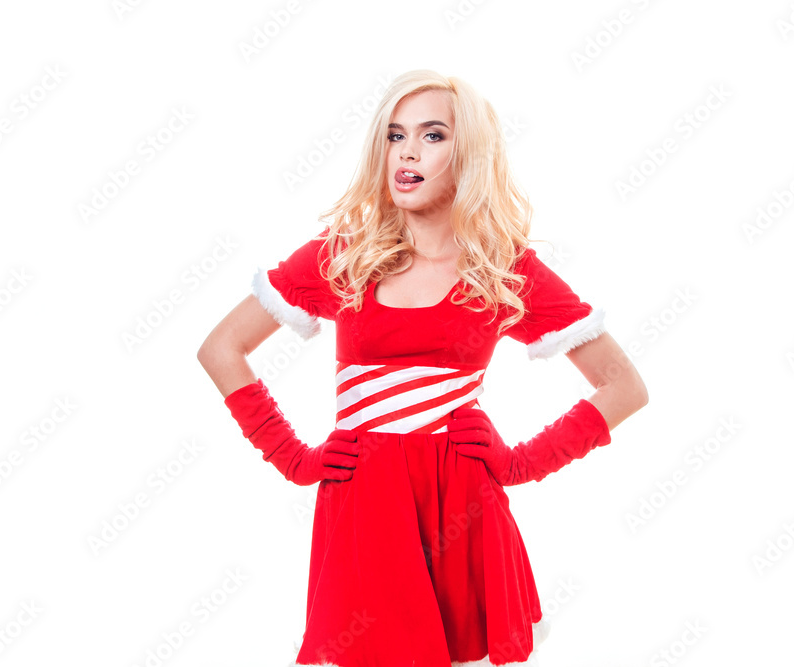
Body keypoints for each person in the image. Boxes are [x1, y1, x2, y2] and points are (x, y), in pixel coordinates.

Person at [197, 69, 648, 667]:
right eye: (394, 135)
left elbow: (624, 386)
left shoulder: (503, 271)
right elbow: (222, 349)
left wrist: (521, 463)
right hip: (363, 505)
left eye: (433, 135)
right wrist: (294, 458)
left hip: (462, 507)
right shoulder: (343, 257)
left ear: (471, 156)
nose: (407, 151)